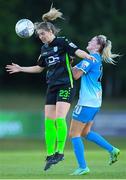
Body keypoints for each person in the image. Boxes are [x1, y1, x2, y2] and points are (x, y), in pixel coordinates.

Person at [6, 7, 95, 171]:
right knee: (48, 122)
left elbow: (77, 51)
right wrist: (21, 68)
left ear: (49, 31)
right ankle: (50, 154)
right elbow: (39, 68)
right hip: (52, 87)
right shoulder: (44, 49)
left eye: (42, 34)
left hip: (65, 85)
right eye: (39, 35)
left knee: (60, 118)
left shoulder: (62, 42)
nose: (41, 37)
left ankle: (60, 152)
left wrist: (87, 56)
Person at [69, 35, 120, 175]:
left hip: (87, 102)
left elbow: (75, 75)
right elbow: (74, 70)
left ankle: (83, 167)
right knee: (85, 132)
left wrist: (65, 63)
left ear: (97, 46)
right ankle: (112, 150)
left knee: (74, 133)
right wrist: (70, 64)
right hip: (95, 102)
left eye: (91, 41)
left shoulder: (90, 59)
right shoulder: (94, 59)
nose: (88, 41)